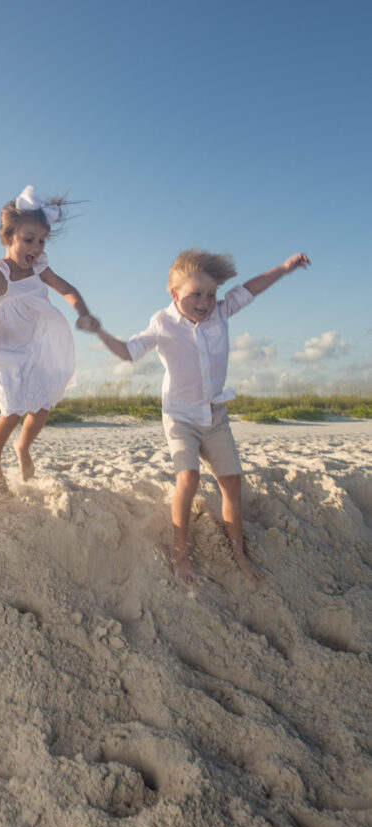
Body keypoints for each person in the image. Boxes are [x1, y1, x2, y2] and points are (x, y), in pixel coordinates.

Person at [95, 249, 310, 584]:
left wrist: (284, 268)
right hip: (180, 416)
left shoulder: (220, 314)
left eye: (211, 294)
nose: (205, 301)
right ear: (175, 293)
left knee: (233, 483)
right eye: (195, 294)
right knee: (189, 478)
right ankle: (180, 553)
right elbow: (129, 351)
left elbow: (251, 288)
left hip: (215, 415)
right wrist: (100, 332)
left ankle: (238, 551)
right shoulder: (162, 322)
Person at [0, 185, 99, 494]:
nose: (36, 247)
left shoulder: (40, 269)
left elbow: (67, 289)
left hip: (35, 345)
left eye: (42, 241)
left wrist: (82, 312)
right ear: (7, 237)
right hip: (0, 347)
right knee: (13, 407)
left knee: (42, 404)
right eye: (28, 240)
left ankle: (23, 447)